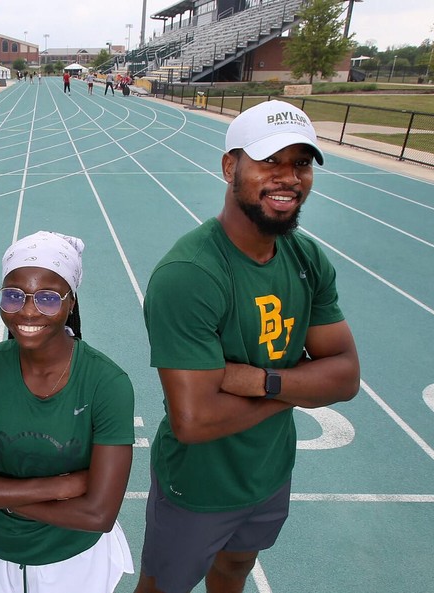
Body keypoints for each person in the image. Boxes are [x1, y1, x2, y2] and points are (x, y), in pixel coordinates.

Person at [135, 100, 360, 593]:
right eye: (270, 161)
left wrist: (261, 381)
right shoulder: (189, 276)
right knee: (163, 586)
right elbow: (195, 422)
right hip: (199, 483)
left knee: (235, 570)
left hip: (270, 470)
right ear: (230, 166)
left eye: (301, 163)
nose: (288, 177)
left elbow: (345, 377)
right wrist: (299, 386)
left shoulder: (306, 257)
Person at [0, 231, 135, 593]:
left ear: (71, 302)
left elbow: (98, 515)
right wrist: (62, 486)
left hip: (75, 561)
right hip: (2, 554)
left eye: (49, 298)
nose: (28, 311)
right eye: (13, 295)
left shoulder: (106, 383)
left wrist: (4, 499)